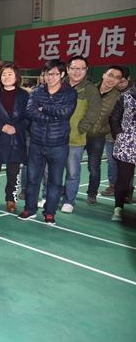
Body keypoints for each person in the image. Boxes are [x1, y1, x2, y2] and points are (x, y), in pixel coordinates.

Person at [18, 59, 77, 224]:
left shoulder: (70, 93)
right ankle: (30, 209)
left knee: (55, 181)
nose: (50, 77)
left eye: (54, 74)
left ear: (62, 74)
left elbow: (65, 113)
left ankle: (50, 212)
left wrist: (44, 108)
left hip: (59, 144)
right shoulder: (37, 92)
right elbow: (30, 112)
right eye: (47, 74)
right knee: (32, 179)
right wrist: (51, 116)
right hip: (36, 142)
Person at [0, 64, 29, 213]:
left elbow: (29, 117)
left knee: (13, 172)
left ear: (16, 77)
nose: (6, 77)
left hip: (16, 137)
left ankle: (11, 199)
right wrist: (2, 127)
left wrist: (17, 128)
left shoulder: (24, 95)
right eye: (3, 74)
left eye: (10, 74)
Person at [61, 56, 100, 214]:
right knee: (52, 170)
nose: (77, 72)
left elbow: (94, 112)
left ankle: (69, 201)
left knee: (72, 172)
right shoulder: (59, 85)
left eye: (81, 68)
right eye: (74, 68)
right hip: (55, 137)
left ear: (86, 70)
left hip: (75, 139)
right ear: (68, 69)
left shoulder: (90, 90)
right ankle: (49, 196)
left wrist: (80, 128)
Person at [84, 66, 124, 205]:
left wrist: (102, 129)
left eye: (117, 77)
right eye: (110, 75)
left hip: (97, 136)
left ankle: (92, 193)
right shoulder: (89, 89)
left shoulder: (119, 97)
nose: (112, 79)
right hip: (79, 133)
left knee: (94, 167)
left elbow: (117, 120)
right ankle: (66, 191)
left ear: (119, 81)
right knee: (70, 165)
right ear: (103, 75)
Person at [109, 81, 136, 221]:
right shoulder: (125, 96)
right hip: (127, 145)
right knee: (123, 179)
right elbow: (114, 118)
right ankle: (118, 208)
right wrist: (119, 134)